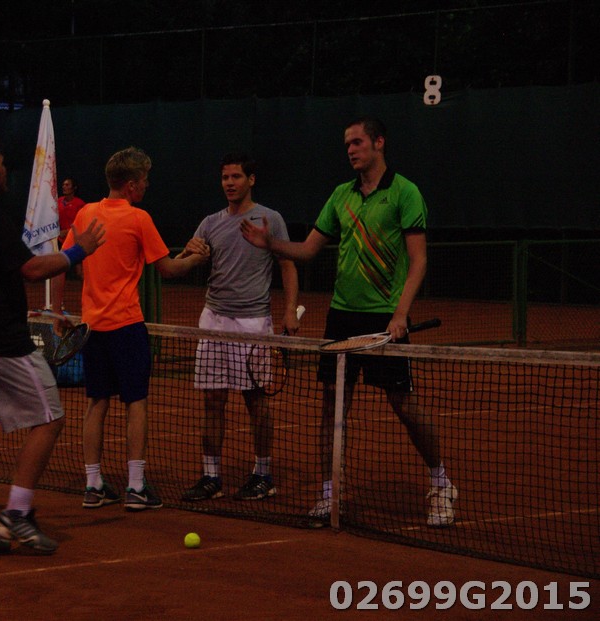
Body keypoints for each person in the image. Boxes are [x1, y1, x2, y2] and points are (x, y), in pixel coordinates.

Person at [240, 117, 457, 528]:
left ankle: (441, 482)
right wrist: (270, 244)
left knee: (403, 405)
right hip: (341, 316)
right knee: (331, 407)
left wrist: (400, 313)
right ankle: (329, 494)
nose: (351, 150)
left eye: (357, 142)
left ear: (379, 142)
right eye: (347, 145)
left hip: (383, 318)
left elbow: (419, 260)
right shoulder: (341, 195)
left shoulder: (405, 192)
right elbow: (308, 250)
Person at [0, 134, 106, 556]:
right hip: (2, 344)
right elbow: (31, 269)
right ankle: (16, 513)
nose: (5, 170)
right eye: (2, 164)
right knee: (50, 419)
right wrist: (79, 251)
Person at [58, 146, 208, 512]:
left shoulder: (86, 214)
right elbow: (168, 269)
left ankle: (93, 485)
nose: (146, 185)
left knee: (96, 402)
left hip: (92, 327)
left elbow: (66, 261)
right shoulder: (139, 218)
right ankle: (136, 486)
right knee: (136, 403)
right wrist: (196, 258)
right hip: (126, 326)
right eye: (143, 180)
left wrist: (61, 308)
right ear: (130, 185)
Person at [177, 153, 300, 502]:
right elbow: (184, 263)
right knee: (212, 401)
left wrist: (290, 310)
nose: (229, 183)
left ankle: (263, 475)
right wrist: (188, 251)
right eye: (225, 177)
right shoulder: (210, 223)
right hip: (213, 320)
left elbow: (288, 265)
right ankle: (211, 477)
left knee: (255, 400)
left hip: (252, 323)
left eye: (236, 177)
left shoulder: (269, 219)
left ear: (251, 180)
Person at [57, 177, 85, 245]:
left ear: (74, 188)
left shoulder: (80, 204)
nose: (64, 187)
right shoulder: (58, 201)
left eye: (67, 185)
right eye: (63, 185)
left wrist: (67, 232)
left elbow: (82, 224)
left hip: (73, 240)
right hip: (59, 240)